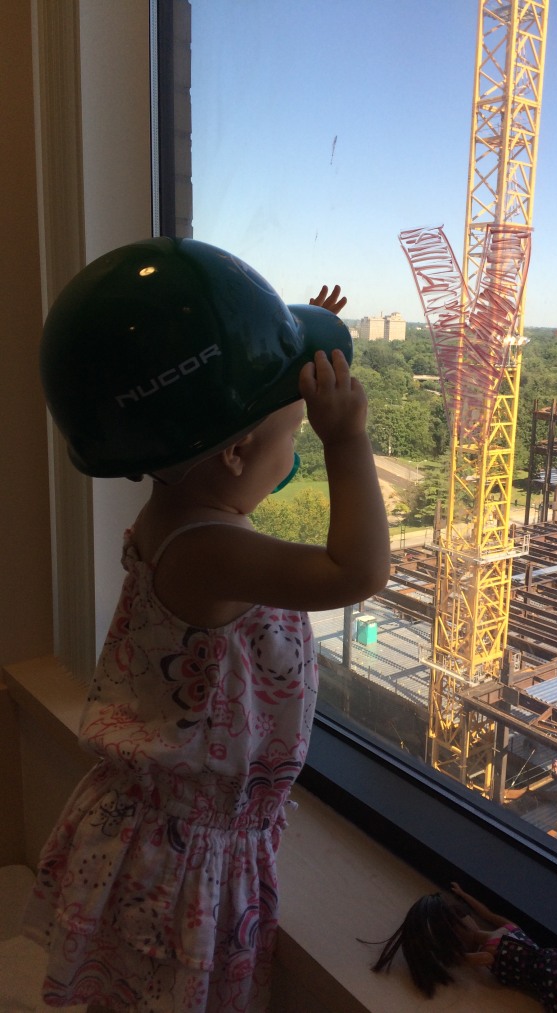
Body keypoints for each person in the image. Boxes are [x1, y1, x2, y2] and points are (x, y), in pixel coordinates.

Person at [23, 238, 390, 1012]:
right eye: (293, 437)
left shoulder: (171, 512)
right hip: (182, 860)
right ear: (231, 454)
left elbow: (217, 417)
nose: (298, 452)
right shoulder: (215, 554)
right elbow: (357, 572)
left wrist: (276, 350)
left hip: (148, 833)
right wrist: (348, 439)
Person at [370, 882, 557, 1012]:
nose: (464, 927)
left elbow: (486, 912)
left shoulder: (503, 931)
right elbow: (462, 958)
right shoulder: (488, 954)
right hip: (549, 975)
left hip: (554, 961)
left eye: (460, 917)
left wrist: (464, 895)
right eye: (454, 932)